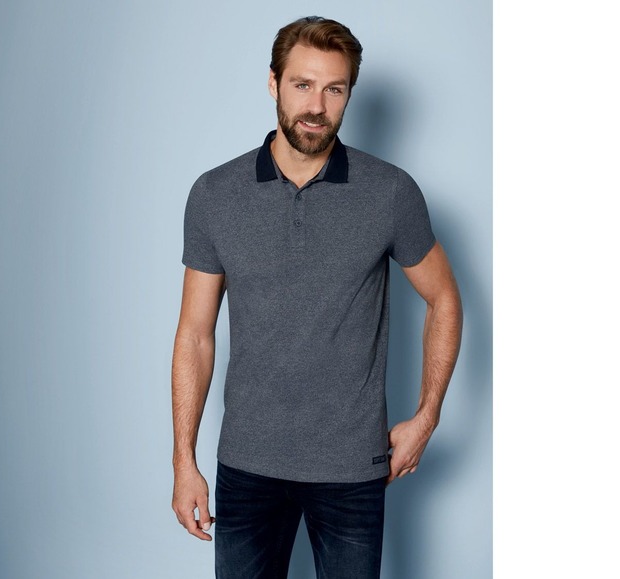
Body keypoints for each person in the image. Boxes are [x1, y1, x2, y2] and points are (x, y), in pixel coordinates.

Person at [171, 16, 463, 579]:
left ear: (350, 93)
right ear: (273, 83)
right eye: (302, 84)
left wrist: (426, 418)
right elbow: (194, 335)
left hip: (351, 468)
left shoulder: (390, 192)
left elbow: (445, 299)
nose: (316, 106)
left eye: (335, 89)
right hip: (247, 464)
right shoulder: (215, 194)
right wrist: (184, 461)